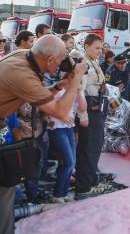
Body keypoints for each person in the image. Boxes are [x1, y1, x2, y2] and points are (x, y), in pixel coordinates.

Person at [0, 35, 87, 234]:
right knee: (4, 186)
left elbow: (37, 95)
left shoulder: (23, 56)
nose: (62, 65)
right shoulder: (22, 74)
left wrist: (59, 86)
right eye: (61, 60)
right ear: (49, 60)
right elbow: (60, 111)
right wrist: (77, 80)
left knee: (6, 187)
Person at [75, 33, 111, 200]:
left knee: (94, 147)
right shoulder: (83, 63)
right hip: (89, 110)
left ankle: (92, 181)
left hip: (97, 109)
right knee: (88, 148)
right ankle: (84, 187)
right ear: (86, 46)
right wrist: (83, 116)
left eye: (101, 48)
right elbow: (79, 92)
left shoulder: (93, 62)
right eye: (96, 48)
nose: (100, 51)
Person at [48, 84, 87, 203]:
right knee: (69, 162)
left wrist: (79, 91)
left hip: (69, 128)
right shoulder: (57, 88)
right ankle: (57, 194)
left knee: (70, 163)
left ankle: (63, 193)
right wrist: (61, 115)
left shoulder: (75, 89)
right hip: (57, 128)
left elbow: (83, 107)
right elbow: (46, 106)